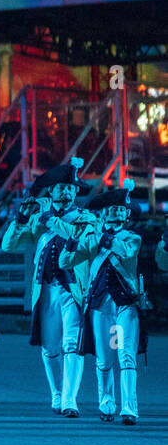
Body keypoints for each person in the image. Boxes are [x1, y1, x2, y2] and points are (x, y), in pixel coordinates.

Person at [2, 157, 95, 416]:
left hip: (72, 290)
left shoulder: (85, 218)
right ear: (51, 191)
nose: (65, 191)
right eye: (60, 187)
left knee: (71, 344)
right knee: (50, 347)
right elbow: (9, 246)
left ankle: (70, 400)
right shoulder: (39, 219)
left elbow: (76, 238)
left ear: (76, 191)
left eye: (70, 187)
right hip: (46, 290)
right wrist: (20, 220)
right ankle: (56, 393)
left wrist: (47, 218)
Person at [62, 179, 147, 425]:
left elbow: (125, 251)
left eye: (120, 208)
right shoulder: (93, 236)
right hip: (101, 306)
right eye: (112, 208)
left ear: (126, 213)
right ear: (105, 212)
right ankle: (107, 403)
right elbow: (66, 262)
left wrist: (99, 237)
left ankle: (129, 408)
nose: (116, 211)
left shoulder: (132, 238)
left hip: (125, 305)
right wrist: (72, 242)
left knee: (127, 356)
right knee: (104, 359)